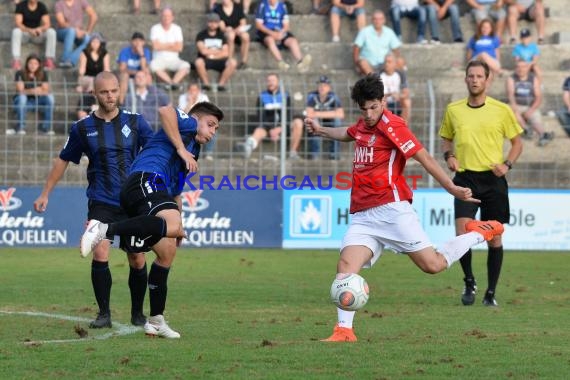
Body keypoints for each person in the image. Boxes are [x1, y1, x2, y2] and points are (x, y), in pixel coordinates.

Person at [304, 73, 505, 342]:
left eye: (374, 107)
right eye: (364, 109)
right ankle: (344, 331)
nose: (369, 114)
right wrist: (321, 130)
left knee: (433, 265)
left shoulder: (393, 125)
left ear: (383, 101)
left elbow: (423, 158)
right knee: (345, 266)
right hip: (363, 215)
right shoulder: (364, 124)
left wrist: (451, 188)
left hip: (392, 210)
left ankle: (481, 232)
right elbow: (348, 133)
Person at [80, 102, 224, 338]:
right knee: (166, 231)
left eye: (216, 129)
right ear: (195, 118)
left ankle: (156, 320)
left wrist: (179, 225)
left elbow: (176, 190)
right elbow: (164, 110)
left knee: (167, 252)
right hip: (146, 178)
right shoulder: (186, 123)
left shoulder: (192, 151)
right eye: (210, 125)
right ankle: (103, 229)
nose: (212, 132)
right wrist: (179, 148)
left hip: (148, 191)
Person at [33, 71, 154, 329]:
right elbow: (63, 159)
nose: (110, 96)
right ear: (94, 94)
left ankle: (137, 313)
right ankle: (104, 314)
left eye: (113, 91)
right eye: (104, 92)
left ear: (119, 90)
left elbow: (155, 152)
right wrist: (45, 192)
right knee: (100, 251)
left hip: (133, 201)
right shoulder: (82, 128)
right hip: (101, 201)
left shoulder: (136, 122)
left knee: (137, 257)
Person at [440, 60, 523, 307]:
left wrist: (507, 164)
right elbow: (446, 139)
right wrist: (449, 156)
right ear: (465, 79)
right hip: (465, 178)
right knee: (462, 233)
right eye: (471, 76)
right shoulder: (453, 110)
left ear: (488, 80)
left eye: (479, 76)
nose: (475, 80)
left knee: (494, 239)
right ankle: (469, 281)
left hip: (493, 180)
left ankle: (490, 293)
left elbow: (518, 143)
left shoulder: (501, 110)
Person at [237, 73, 303, 159]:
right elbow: (261, 116)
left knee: (298, 122)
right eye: (268, 81)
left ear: (278, 82)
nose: (270, 83)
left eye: (273, 80)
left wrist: (280, 128)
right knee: (259, 130)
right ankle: (248, 147)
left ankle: (293, 153)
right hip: (268, 128)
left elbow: (288, 115)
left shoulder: (286, 96)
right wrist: (271, 129)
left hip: (284, 127)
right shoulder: (262, 96)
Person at [255, 0, 312, 72]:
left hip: (279, 31)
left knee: (292, 41)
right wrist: (272, 33)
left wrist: (280, 33)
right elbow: (258, 25)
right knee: (270, 40)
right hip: (267, 31)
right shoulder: (262, 5)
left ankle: (300, 62)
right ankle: (281, 62)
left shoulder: (282, 6)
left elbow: (286, 26)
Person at [507, 60, 553, 146]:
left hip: (530, 105)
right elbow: (510, 95)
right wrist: (514, 107)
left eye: (523, 67)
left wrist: (531, 110)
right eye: (518, 67)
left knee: (535, 119)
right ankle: (526, 129)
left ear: (528, 68)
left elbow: (538, 97)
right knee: (511, 110)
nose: (521, 69)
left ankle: (543, 134)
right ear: (516, 68)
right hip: (517, 105)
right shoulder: (511, 78)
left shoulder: (533, 78)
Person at [9, 53, 54, 136]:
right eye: (30, 63)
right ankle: (20, 127)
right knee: (22, 98)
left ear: (39, 65)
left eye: (35, 64)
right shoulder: (20, 73)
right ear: (27, 63)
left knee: (50, 98)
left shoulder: (43, 73)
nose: (33, 66)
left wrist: (28, 90)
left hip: (37, 101)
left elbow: (46, 91)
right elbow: (20, 90)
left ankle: (45, 127)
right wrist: (35, 90)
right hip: (22, 102)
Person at [149, 7, 191, 90]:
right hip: (159, 59)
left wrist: (162, 45)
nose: (166, 18)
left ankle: (173, 83)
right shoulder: (155, 28)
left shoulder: (177, 28)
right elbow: (155, 47)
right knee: (152, 65)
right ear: (161, 16)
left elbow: (179, 48)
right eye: (164, 15)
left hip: (174, 59)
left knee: (186, 65)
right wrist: (171, 45)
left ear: (172, 17)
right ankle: (171, 83)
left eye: (168, 16)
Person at [194, 13, 238, 92]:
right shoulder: (201, 35)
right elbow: (203, 51)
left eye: (215, 22)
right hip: (205, 60)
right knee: (198, 62)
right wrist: (218, 51)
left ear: (218, 23)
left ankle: (221, 84)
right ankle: (206, 84)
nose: (212, 24)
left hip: (219, 60)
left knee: (233, 62)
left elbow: (226, 53)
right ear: (207, 22)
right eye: (210, 22)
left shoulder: (222, 36)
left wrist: (211, 55)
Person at [305, 75, 345, 160]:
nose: (322, 88)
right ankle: (315, 155)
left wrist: (316, 113)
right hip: (317, 121)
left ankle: (334, 154)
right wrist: (332, 113)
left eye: (325, 85)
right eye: (320, 85)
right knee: (313, 122)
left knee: (337, 122)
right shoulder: (312, 96)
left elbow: (340, 114)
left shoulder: (333, 96)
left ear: (329, 87)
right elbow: (309, 114)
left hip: (330, 122)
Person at [353, 10, 404, 75]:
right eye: (375, 19)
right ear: (372, 20)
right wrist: (356, 64)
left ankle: (402, 83)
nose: (378, 21)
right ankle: (376, 81)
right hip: (369, 63)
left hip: (384, 63)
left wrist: (394, 60)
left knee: (400, 61)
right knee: (363, 62)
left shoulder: (389, 32)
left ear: (384, 20)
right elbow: (356, 48)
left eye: (380, 19)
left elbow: (396, 50)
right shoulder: (364, 31)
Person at [11, 0, 57, 70]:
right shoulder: (21, 6)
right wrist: (29, 30)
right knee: (16, 31)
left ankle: (49, 59)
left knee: (51, 32)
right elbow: (18, 23)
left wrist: (40, 29)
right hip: (25, 34)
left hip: (37, 34)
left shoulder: (41, 6)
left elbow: (47, 24)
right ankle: (16, 60)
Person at [54, 0, 98, 68]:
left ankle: (70, 60)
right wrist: (75, 30)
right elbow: (61, 23)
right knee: (71, 31)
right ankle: (64, 59)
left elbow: (93, 15)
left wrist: (88, 31)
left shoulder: (81, 1)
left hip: (78, 32)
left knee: (89, 39)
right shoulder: (59, 4)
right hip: (62, 32)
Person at [178, 83, 215, 160]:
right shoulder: (183, 97)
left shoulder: (203, 97)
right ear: (188, 91)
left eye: (195, 90)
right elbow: (183, 115)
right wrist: (190, 103)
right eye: (190, 90)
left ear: (198, 91)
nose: (192, 92)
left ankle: (208, 153)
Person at [116, 32, 152, 105]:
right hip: (127, 74)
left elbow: (144, 69)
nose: (138, 43)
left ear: (143, 42)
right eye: (135, 41)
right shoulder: (125, 51)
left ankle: (148, 102)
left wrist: (141, 54)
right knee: (124, 76)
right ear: (131, 42)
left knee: (148, 76)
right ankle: (121, 103)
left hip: (139, 74)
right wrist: (136, 72)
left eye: (140, 41)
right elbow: (122, 69)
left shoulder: (146, 52)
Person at [214, 0, 251, 69]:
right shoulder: (218, 9)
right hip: (226, 32)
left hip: (237, 30)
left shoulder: (238, 7)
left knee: (246, 36)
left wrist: (237, 30)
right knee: (231, 35)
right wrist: (229, 29)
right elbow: (222, 27)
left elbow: (243, 23)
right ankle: (229, 59)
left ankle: (244, 61)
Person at [380, 53, 411, 123]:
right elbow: (376, 95)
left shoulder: (400, 75)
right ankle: (388, 125)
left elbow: (406, 92)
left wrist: (399, 95)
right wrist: (389, 95)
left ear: (395, 64)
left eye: (389, 62)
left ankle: (403, 126)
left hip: (397, 101)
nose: (386, 64)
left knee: (407, 101)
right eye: (385, 62)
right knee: (382, 101)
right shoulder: (379, 75)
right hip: (384, 102)